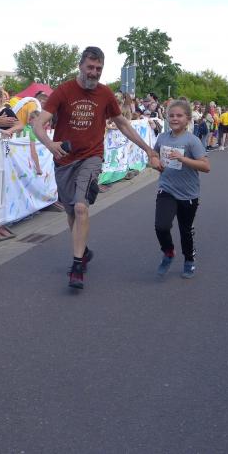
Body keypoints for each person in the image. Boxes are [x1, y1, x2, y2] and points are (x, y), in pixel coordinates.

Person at [32, 46, 162, 290]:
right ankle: (83, 251)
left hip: (92, 156)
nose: (94, 72)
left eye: (98, 69)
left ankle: (77, 266)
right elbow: (38, 123)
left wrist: (147, 149)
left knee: (81, 207)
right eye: (90, 67)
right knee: (71, 211)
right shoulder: (63, 91)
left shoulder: (104, 94)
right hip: (64, 159)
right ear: (80, 66)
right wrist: (49, 144)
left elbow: (123, 124)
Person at [153, 99, 210, 279]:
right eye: (171, 115)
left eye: (179, 115)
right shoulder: (162, 138)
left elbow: (206, 166)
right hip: (167, 189)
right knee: (161, 226)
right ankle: (168, 252)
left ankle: (189, 260)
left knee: (185, 230)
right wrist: (154, 162)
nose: (175, 119)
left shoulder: (192, 141)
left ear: (188, 119)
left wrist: (182, 159)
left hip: (188, 193)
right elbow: (154, 155)